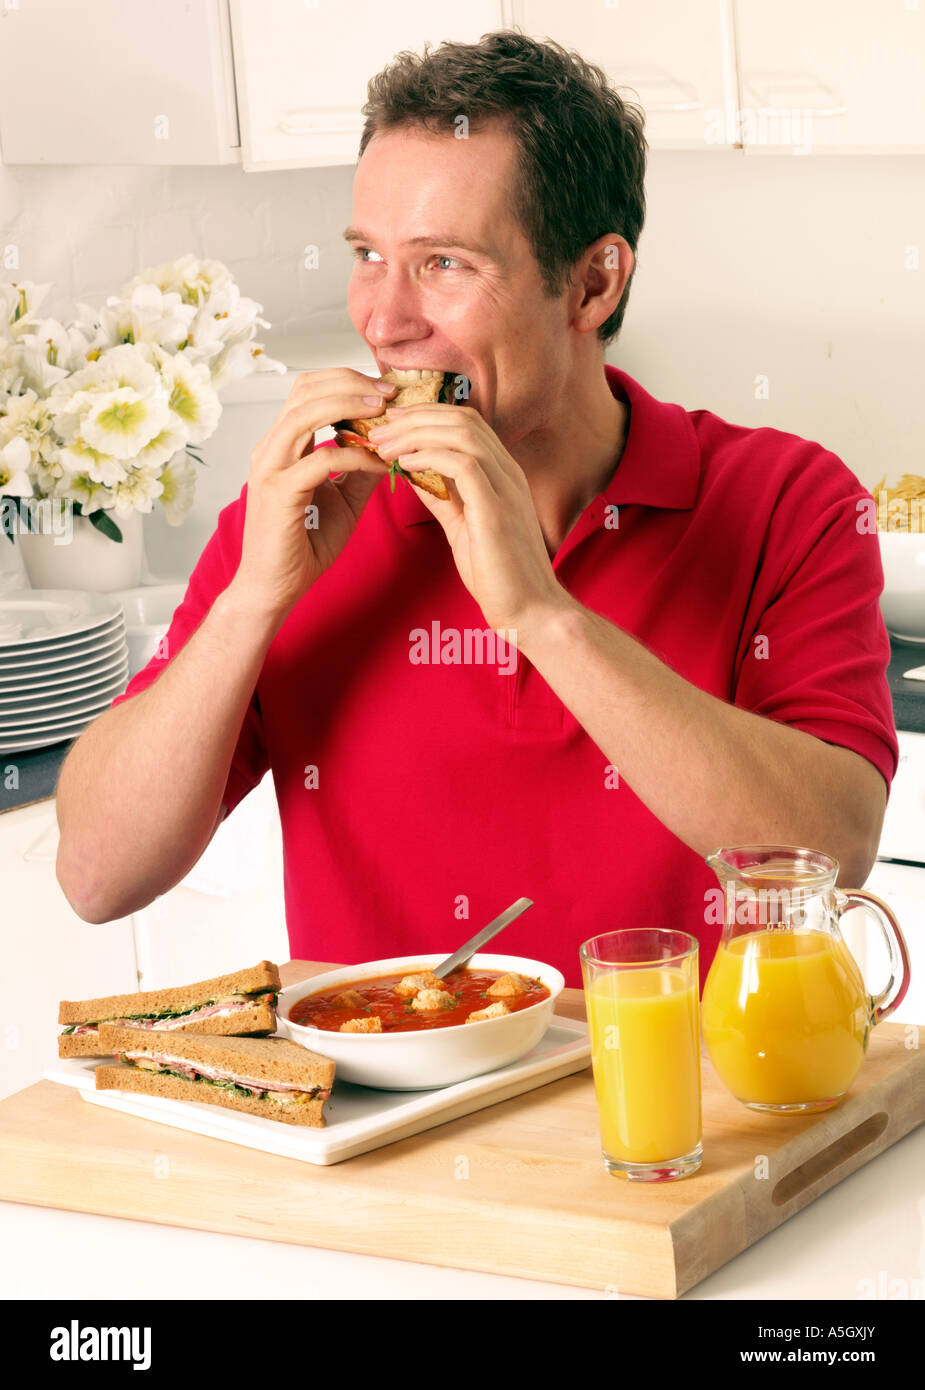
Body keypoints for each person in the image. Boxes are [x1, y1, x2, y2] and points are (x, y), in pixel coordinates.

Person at [55, 33, 896, 990]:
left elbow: (830, 850)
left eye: (444, 264)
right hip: (389, 1116)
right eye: (368, 256)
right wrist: (252, 601)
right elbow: (93, 877)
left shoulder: (788, 500)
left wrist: (540, 613)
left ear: (592, 283)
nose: (382, 318)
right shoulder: (294, 524)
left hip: (688, 1115)